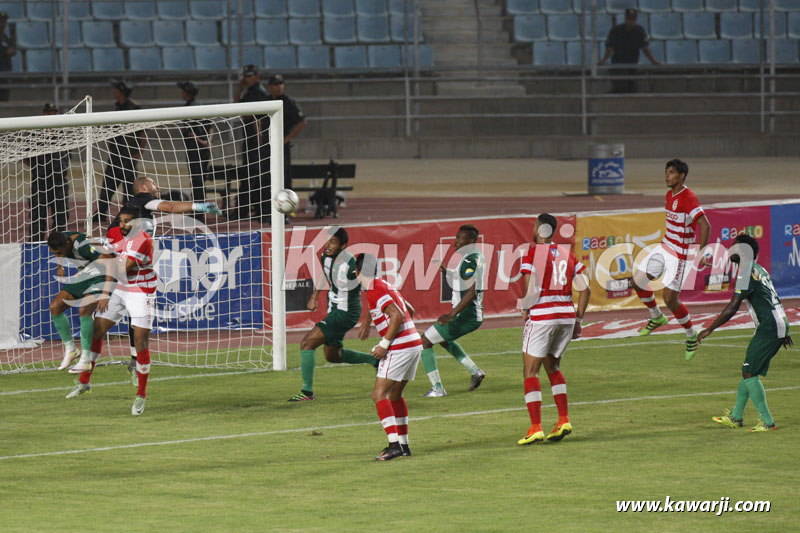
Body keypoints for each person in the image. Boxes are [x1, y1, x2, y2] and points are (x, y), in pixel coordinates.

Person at [107, 175, 221, 385]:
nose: (157, 186)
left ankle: (131, 360)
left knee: (135, 311)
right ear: (143, 187)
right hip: (120, 253)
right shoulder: (142, 199)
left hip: (123, 253)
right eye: (153, 183)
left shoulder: (138, 208)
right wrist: (199, 206)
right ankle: (88, 356)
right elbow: (169, 207)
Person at [67, 206, 157, 416]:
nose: (123, 225)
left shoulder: (143, 240)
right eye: (121, 220)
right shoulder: (114, 233)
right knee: (95, 331)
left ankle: (141, 395)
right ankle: (84, 382)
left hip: (140, 292)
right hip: (119, 289)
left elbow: (121, 267)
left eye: (128, 221)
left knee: (140, 340)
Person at [699, 234, 793, 432]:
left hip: (769, 327)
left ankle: (768, 423)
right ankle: (736, 417)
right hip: (776, 324)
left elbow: (732, 308)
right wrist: (783, 329)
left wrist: (710, 328)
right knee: (748, 371)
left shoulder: (746, 273)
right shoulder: (759, 270)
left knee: (748, 371)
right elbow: (772, 296)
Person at [517, 214, 590, 445]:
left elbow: (530, 286)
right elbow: (585, 289)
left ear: (540, 228)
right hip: (566, 316)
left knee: (530, 371)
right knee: (553, 366)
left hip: (543, 316)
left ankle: (535, 427)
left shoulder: (532, 252)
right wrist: (578, 317)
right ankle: (563, 419)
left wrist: (525, 309)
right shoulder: (567, 253)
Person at [288, 227, 379, 402]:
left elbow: (372, 291)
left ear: (343, 245)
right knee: (333, 356)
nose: (328, 245)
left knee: (307, 344)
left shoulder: (352, 265)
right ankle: (374, 361)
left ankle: (307, 393)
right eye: (327, 240)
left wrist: (367, 323)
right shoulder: (325, 257)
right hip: (334, 310)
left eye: (333, 242)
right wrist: (314, 296)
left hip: (346, 313)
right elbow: (326, 274)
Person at [634, 159, 711, 360]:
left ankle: (691, 336)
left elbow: (705, 225)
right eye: (666, 172)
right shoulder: (670, 195)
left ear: (682, 176)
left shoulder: (688, 197)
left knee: (670, 299)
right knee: (638, 280)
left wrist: (701, 252)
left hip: (680, 255)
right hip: (665, 247)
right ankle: (657, 317)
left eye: (671, 172)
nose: (667, 176)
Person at [354, 253, 421, 460]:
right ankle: (404, 445)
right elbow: (408, 308)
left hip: (400, 346)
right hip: (414, 343)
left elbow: (397, 314)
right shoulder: (382, 285)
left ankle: (394, 445)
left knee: (379, 394)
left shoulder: (374, 289)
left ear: (357, 272)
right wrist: (368, 321)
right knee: (395, 395)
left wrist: (384, 344)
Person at [419, 224, 487, 398]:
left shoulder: (470, 260)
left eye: (459, 239)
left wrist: (452, 314)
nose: (455, 243)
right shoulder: (471, 258)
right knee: (443, 340)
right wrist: (444, 271)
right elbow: (461, 282)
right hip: (469, 314)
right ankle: (475, 372)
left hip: (467, 315)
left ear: (470, 241)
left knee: (425, 341)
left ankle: (437, 388)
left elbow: (472, 291)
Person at [47, 230, 112, 371]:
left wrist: (105, 293)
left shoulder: (83, 244)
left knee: (84, 309)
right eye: (54, 254)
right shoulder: (62, 239)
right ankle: (71, 349)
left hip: (101, 276)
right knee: (55, 307)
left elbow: (109, 263)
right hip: (84, 275)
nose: (58, 255)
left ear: (67, 244)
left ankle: (86, 359)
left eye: (59, 253)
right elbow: (59, 252)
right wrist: (60, 265)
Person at [94, 80, 147, 224]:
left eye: (116, 90)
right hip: (115, 154)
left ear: (121, 91)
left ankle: (129, 212)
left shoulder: (135, 108)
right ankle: (101, 211)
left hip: (129, 155)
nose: (114, 92)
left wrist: (138, 153)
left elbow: (142, 133)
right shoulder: (118, 107)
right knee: (107, 186)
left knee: (129, 189)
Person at [26, 103, 70, 242]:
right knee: (38, 217)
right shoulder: (35, 134)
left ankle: (59, 244)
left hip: (59, 182)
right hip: (40, 182)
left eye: (54, 112)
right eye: (49, 112)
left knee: (61, 217)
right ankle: (36, 245)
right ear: (44, 113)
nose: (52, 115)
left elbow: (68, 156)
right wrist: (37, 167)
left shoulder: (63, 134)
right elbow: (25, 155)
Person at [234, 64, 270, 222]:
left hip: (257, 143)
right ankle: (249, 210)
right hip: (251, 141)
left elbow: (248, 115)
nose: (247, 79)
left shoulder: (258, 93)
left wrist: (259, 142)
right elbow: (236, 108)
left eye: (250, 76)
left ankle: (252, 210)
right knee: (250, 176)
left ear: (257, 76)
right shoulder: (250, 92)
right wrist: (240, 89)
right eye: (245, 76)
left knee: (253, 176)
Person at [598, 8, 659, 93]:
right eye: (629, 18)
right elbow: (610, 48)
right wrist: (603, 61)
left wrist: (653, 61)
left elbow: (645, 48)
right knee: (619, 89)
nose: (631, 21)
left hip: (632, 65)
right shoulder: (616, 30)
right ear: (625, 19)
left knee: (632, 89)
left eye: (633, 19)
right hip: (618, 65)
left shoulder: (639, 31)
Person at [266, 74, 306, 191]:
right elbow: (256, 118)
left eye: (280, 84)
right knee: (266, 176)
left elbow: (302, 122)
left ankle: (286, 205)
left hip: (282, 145)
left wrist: (287, 138)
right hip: (266, 144)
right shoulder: (266, 101)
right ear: (270, 87)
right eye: (275, 84)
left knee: (284, 175)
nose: (278, 87)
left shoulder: (288, 102)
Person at [177, 81, 212, 210]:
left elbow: (190, 133)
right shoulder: (201, 107)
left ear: (187, 93)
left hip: (194, 150)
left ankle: (199, 210)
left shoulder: (188, 108)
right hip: (205, 151)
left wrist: (203, 143)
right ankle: (200, 208)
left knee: (196, 181)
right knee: (200, 181)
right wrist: (208, 142)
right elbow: (211, 127)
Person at [0, 12, 16, 101]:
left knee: (5, 99)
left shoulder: (4, 37)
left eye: (5, 22)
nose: (4, 24)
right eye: (2, 22)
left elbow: (13, 49)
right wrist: (6, 51)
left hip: (6, 71)